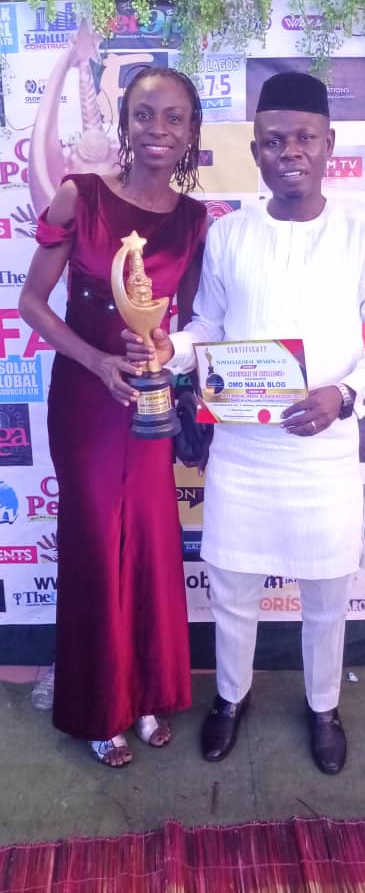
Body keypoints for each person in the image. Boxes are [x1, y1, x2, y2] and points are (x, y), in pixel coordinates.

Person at [125, 71, 365, 775]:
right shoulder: (230, 234)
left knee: (326, 600)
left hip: (323, 453)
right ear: (255, 150)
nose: (291, 151)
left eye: (305, 138)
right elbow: (207, 327)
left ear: (330, 145)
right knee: (232, 591)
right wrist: (170, 349)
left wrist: (346, 394)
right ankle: (231, 698)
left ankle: (324, 706)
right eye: (275, 140)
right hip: (244, 453)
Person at [19, 66, 207, 767]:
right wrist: (98, 361)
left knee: (153, 543)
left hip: (149, 402)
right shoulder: (83, 196)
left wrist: (165, 350)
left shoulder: (194, 220)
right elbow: (32, 302)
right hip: (86, 399)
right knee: (99, 546)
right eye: (144, 115)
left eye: (174, 118)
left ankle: (149, 693)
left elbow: (192, 323)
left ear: (190, 132)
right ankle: (101, 709)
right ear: (125, 123)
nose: (158, 130)